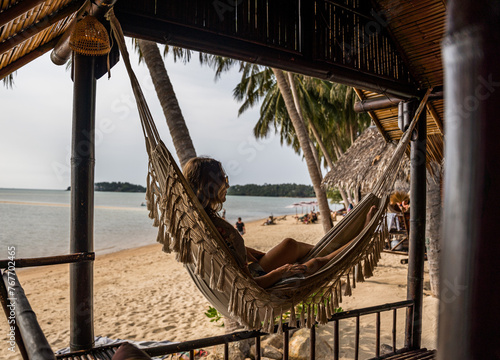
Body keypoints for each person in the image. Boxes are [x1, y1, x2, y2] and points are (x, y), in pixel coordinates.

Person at [183, 157, 376, 289]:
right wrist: (282, 272)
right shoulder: (214, 225)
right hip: (256, 285)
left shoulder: (202, 222)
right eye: (224, 179)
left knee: (289, 245)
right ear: (211, 184)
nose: (228, 184)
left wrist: (247, 251)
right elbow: (248, 286)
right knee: (317, 261)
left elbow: (225, 249)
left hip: (251, 271)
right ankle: (360, 238)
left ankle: (336, 247)